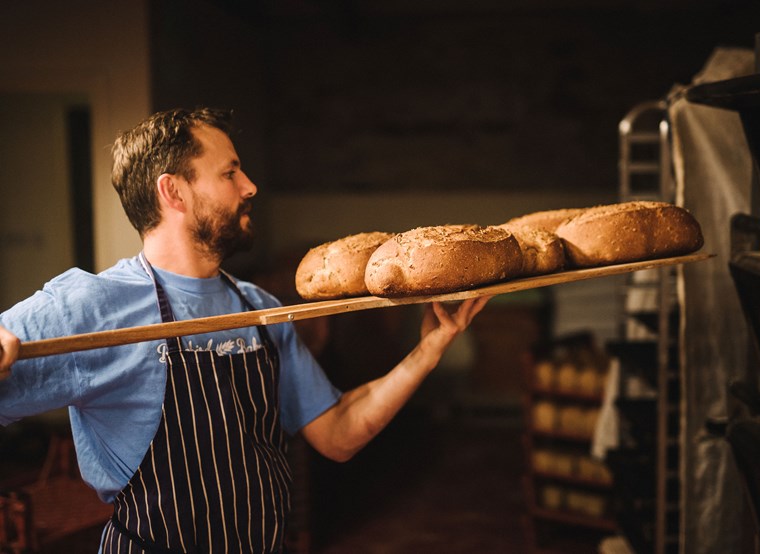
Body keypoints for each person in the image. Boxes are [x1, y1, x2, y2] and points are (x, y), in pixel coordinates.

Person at [0, 107, 489, 553]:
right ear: (173, 191)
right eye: (230, 172)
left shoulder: (258, 309)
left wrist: (429, 348)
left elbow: (338, 433)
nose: (250, 186)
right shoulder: (91, 306)